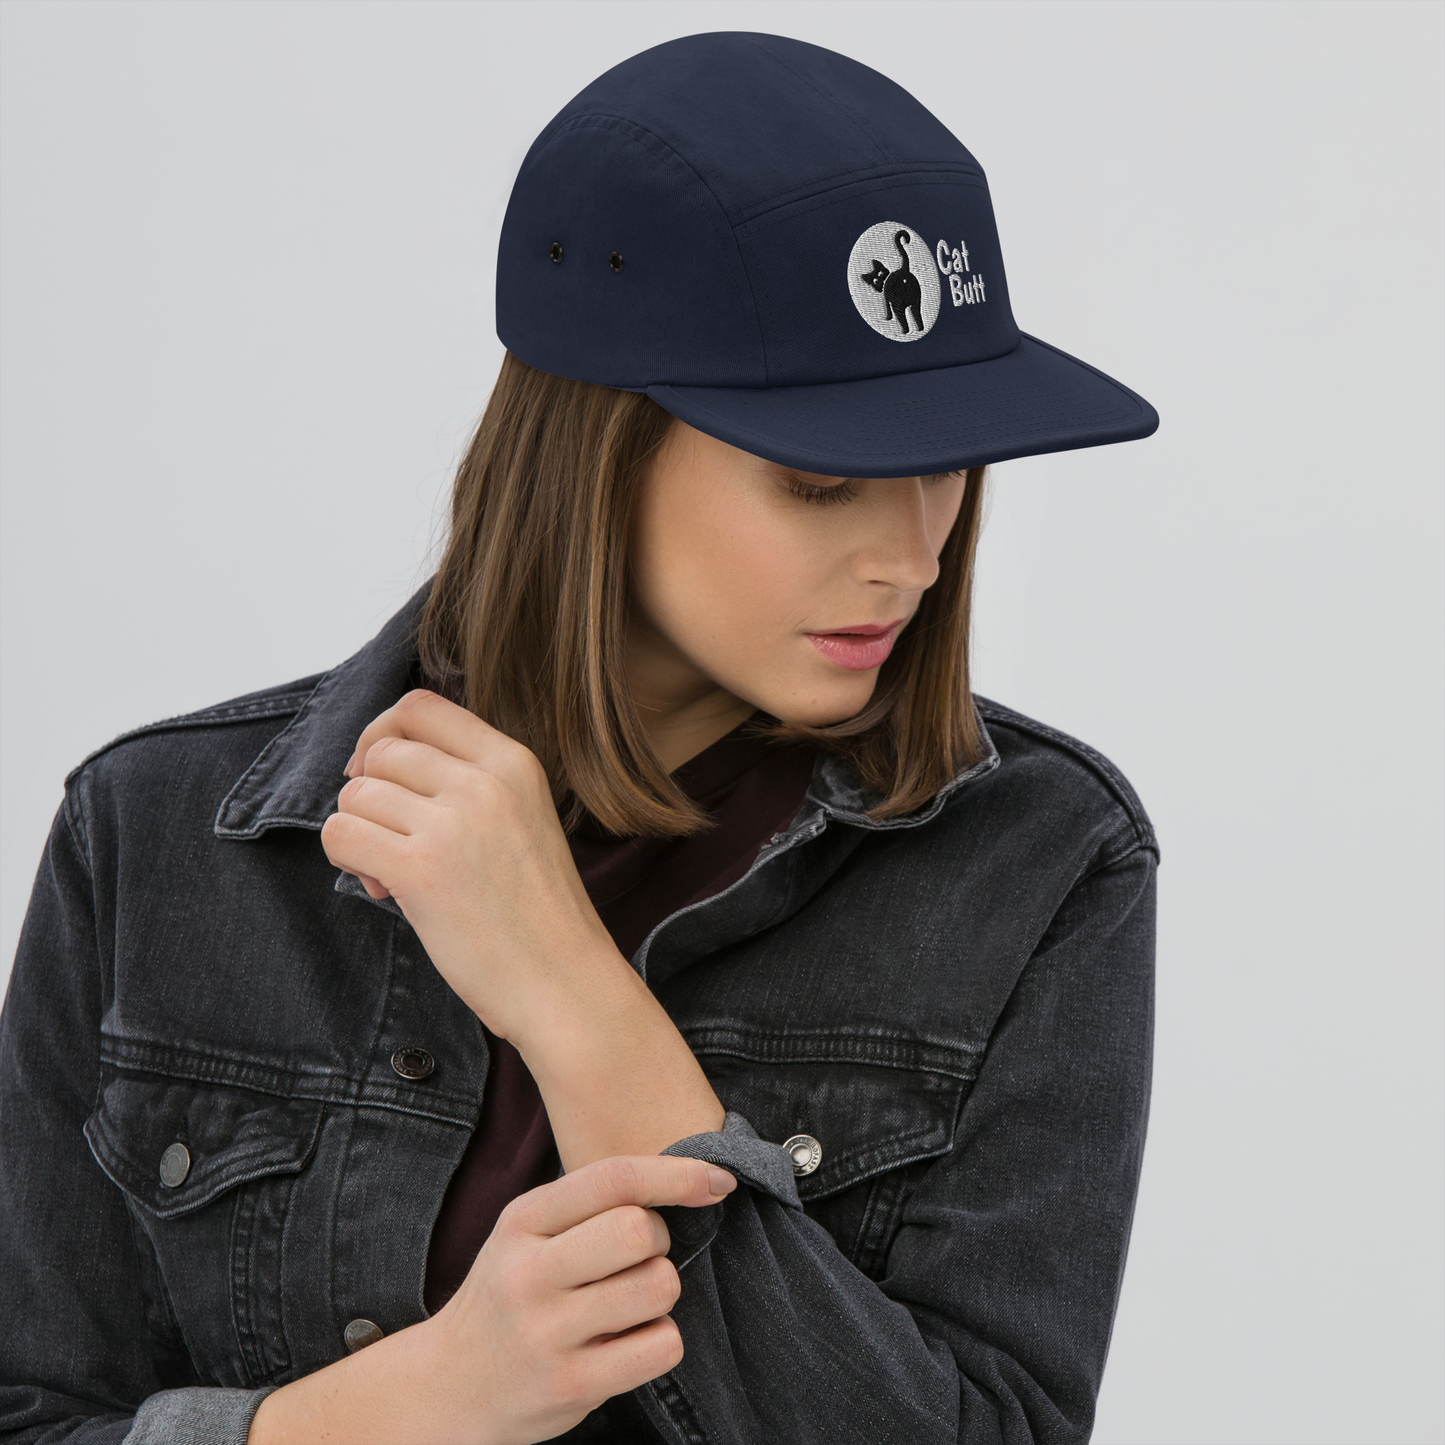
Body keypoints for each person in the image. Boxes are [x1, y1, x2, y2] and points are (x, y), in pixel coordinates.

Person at [0, 31, 1160, 1445]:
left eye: (946, 465)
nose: (910, 559)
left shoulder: (1039, 863)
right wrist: (397, 1414)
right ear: (600, 448)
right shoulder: (158, 837)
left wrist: (571, 992)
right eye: (818, 482)